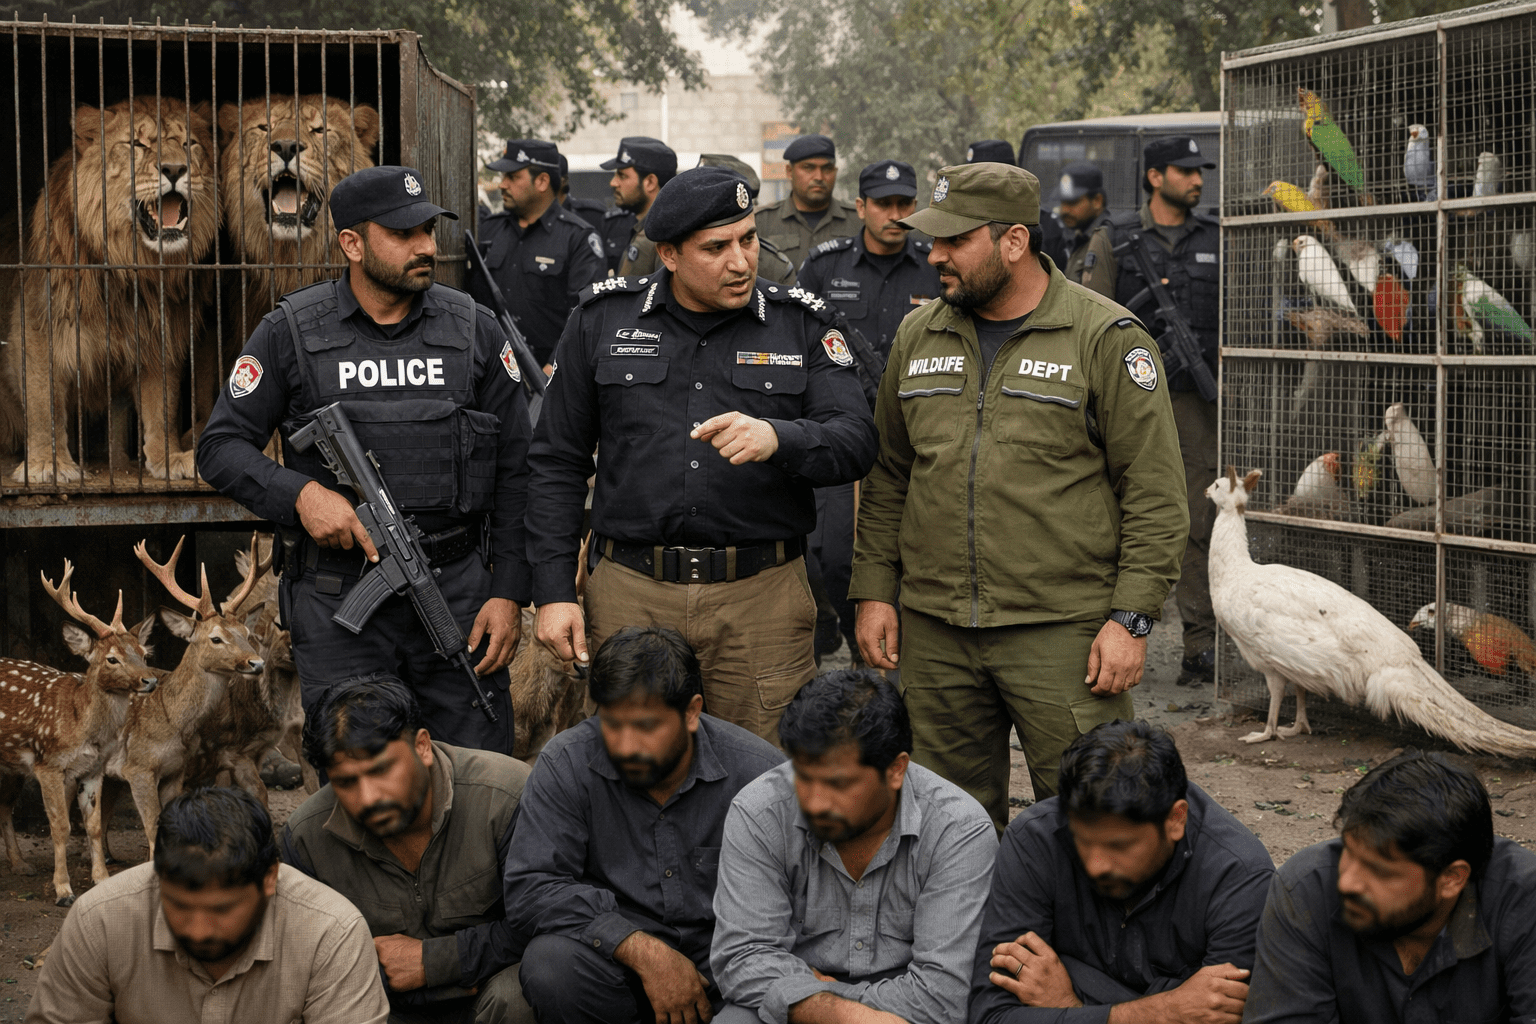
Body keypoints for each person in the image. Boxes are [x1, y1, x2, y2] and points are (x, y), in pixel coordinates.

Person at [847, 162, 1188, 829]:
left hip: (1063, 633)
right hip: (936, 631)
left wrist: (1133, 619)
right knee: (945, 829)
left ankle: (1082, 940)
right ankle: (968, 940)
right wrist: (875, 590)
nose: (934, 255)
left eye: (954, 241)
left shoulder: (1104, 339)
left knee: (1095, 819)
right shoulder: (919, 338)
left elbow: (1155, 495)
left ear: (1013, 242)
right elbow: (890, 474)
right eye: (932, 240)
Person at [528, 166, 878, 743]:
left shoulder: (801, 324)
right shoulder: (601, 322)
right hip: (631, 594)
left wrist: (780, 438)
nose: (741, 262)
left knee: (768, 781)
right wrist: (554, 593)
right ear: (667, 253)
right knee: (631, 770)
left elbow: (857, 440)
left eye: (748, 239)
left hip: (759, 598)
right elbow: (556, 461)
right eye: (716, 248)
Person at [197, 165, 531, 754]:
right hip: (337, 599)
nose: (426, 246)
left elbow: (518, 470)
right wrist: (301, 495)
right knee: (359, 780)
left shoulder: (474, 330)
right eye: (404, 234)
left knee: (478, 776)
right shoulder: (290, 332)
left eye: (429, 229)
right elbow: (220, 447)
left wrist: (508, 593)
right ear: (351, 243)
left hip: (456, 595)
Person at [506, 626, 785, 1024]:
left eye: (646, 727)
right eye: (613, 725)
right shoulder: (566, 762)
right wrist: (642, 950)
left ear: (692, 712)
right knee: (551, 964)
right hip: (616, 963)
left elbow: (802, 904)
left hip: (728, 969)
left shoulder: (759, 773)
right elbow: (530, 887)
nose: (626, 746)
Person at [711, 669, 995, 1024]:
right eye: (803, 777)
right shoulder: (759, 811)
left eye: (837, 784)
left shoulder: (958, 828)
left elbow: (942, 997)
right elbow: (740, 958)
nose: (815, 802)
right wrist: (836, 1012)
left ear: (895, 769)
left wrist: (821, 998)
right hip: (801, 1004)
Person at [969, 720, 1273, 1024]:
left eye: (1119, 846)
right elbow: (992, 1016)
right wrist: (1163, 1011)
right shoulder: (1035, 840)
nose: (1095, 865)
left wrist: (1068, 1006)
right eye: (1081, 841)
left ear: (1175, 819)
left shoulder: (1239, 876)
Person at [281, 676, 535, 1024]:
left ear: (423, 747)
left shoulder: (506, 797)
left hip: (486, 998)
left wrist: (436, 961)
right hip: (381, 1009)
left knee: (527, 988)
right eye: (346, 782)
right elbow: (300, 961)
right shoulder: (305, 838)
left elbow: (548, 922)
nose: (368, 797)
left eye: (381, 770)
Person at [26, 787, 389, 1024]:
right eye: (179, 906)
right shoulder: (99, 919)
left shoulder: (332, 932)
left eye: (221, 910)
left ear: (268, 880)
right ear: (157, 878)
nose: (197, 930)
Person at [1245, 751, 1536, 1024]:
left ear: (1452, 878)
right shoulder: (1305, 889)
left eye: (1378, 870)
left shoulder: (1524, 900)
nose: (1347, 883)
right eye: (1349, 851)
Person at [1085, 137, 1218, 687]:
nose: (1197, 180)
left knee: (1196, 511)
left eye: (1199, 171)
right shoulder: (1115, 238)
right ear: (1154, 176)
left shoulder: (1215, 238)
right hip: (1131, 396)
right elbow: (1090, 316)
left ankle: (1201, 642)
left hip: (1197, 399)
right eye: (1185, 171)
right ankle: (1106, 629)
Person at [796, 159, 941, 664]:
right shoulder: (825, 264)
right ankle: (855, 630)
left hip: (918, 429)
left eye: (905, 204)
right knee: (835, 555)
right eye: (884, 204)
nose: (895, 215)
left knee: (914, 548)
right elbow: (800, 341)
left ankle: (895, 650)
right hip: (844, 426)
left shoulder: (934, 262)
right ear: (860, 207)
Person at [467, 139, 607, 368]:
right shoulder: (490, 229)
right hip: (489, 368)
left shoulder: (578, 237)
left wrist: (554, 365)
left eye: (512, 177)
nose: (502, 185)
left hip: (548, 373)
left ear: (542, 181)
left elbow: (588, 314)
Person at [755, 134, 860, 270]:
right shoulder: (762, 222)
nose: (819, 177)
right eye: (808, 168)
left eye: (827, 168)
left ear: (835, 171)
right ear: (789, 172)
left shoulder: (858, 221)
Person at [698, 153, 797, 286]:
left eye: (748, 240)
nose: (741, 265)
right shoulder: (677, 254)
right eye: (717, 247)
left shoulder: (775, 266)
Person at [608, 135, 679, 278]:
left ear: (650, 182)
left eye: (622, 176)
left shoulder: (664, 234)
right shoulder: (640, 226)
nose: (613, 183)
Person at [1056, 162, 1113, 297]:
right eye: (1062, 202)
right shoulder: (1076, 238)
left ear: (1097, 201)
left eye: (1072, 202)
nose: (1064, 210)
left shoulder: (1110, 238)